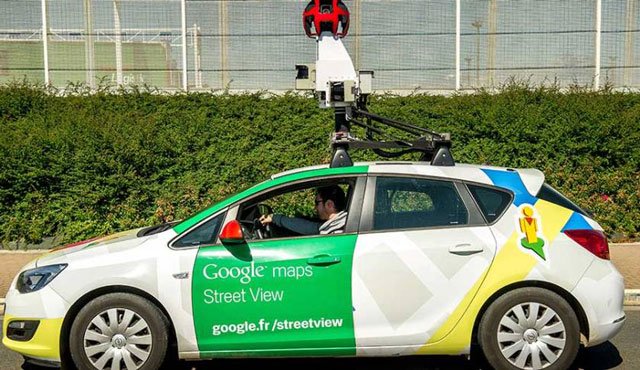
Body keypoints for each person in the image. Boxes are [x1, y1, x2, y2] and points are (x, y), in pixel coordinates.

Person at [259, 185, 348, 235]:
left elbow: (311, 228)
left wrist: (275, 218)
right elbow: (310, 225)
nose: (315, 208)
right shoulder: (339, 223)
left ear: (329, 204)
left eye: (317, 203)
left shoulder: (338, 229)